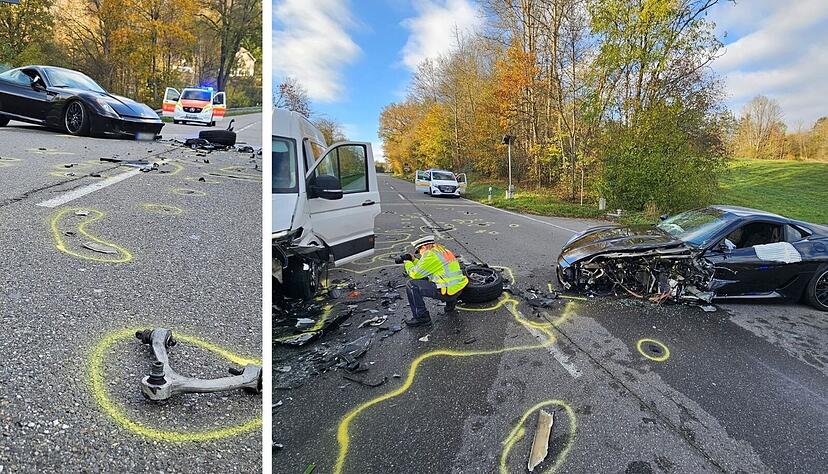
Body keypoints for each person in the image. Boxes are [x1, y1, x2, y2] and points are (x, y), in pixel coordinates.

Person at [398, 236, 469, 327]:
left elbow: (415, 274)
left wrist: (407, 262)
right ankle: (450, 305)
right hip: (458, 289)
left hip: (447, 292)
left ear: (424, 246)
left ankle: (422, 318)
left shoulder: (430, 254)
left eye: (419, 251)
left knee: (412, 285)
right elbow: (426, 268)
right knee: (440, 279)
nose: (420, 254)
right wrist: (414, 260)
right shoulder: (443, 251)